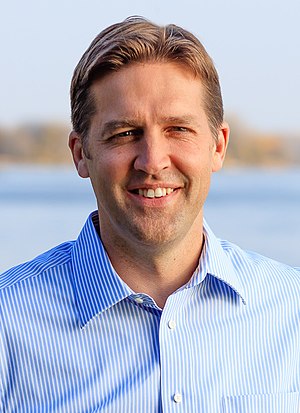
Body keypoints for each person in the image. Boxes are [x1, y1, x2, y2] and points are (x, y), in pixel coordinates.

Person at [0, 16, 299, 413]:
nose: (152, 161)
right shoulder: (8, 322)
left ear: (218, 146)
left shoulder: (291, 311)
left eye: (178, 129)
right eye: (124, 133)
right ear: (80, 153)